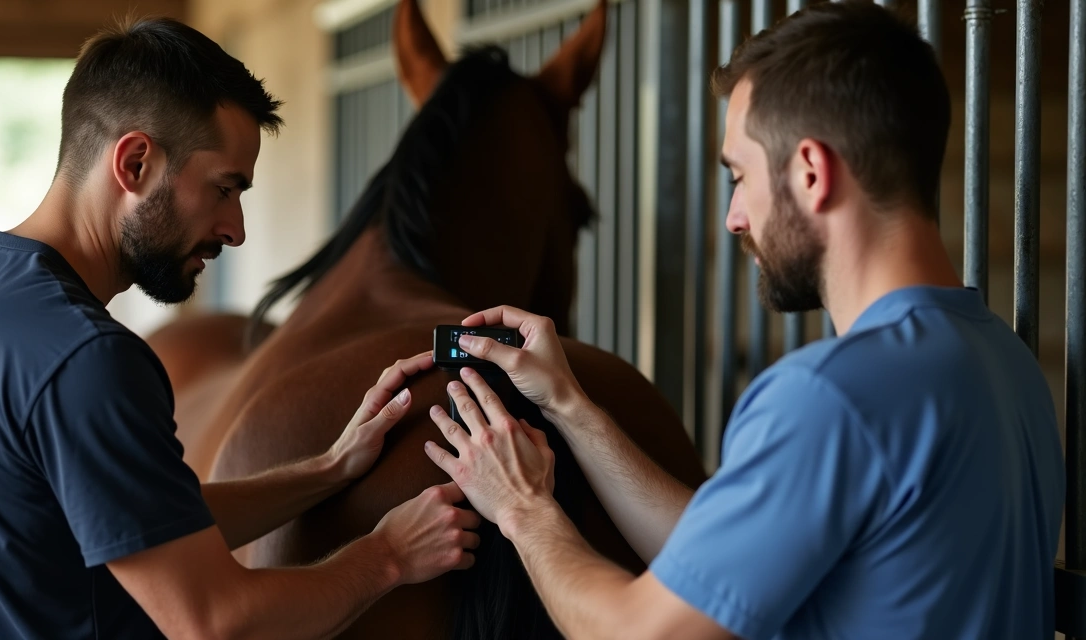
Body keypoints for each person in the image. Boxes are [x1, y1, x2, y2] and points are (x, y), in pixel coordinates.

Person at [421, 2, 1065, 639]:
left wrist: (522, 506)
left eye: (740, 175)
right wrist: (568, 405)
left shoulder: (828, 396)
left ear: (811, 173)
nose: (734, 217)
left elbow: (642, 634)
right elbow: (724, 566)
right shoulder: (1005, 361)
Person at [0, 17, 479, 640]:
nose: (235, 230)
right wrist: (388, 556)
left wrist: (327, 470)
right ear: (135, 162)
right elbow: (213, 623)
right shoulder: (86, 358)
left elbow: (139, 522)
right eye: (223, 189)